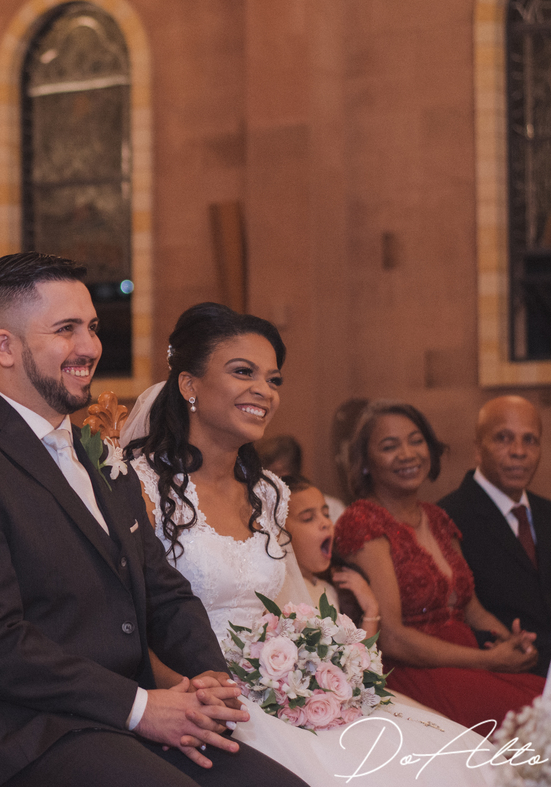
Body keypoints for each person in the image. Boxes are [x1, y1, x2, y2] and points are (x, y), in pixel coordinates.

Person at [0, 255, 306, 787]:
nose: (90, 346)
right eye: (65, 329)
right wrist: (139, 707)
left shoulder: (101, 459)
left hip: (118, 719)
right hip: (18, 733)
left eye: (91, 327)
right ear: (5, 347)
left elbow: (163, 592)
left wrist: (211, 678)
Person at [121, 303, 489, 785]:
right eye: (243, 372)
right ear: (189, 385)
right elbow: (130, 617)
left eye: (273, 379)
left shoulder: (269, 493)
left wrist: (323, 667)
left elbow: (290, 604)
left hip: (284, 686)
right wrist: (194, 694)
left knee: (450, 762)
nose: (264, 390)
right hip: (195, 693)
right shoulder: (141, 487)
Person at [334, 400, 546, 728]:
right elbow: (391, 637)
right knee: (539, 719)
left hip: (468, 659)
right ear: (365, 463)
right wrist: (487, 660)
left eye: (416, 441)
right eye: (389, 446)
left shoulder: (438, 518)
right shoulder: (363, 521)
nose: (407, 454)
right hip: (414, 670)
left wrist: (510, 642)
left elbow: (472, 610)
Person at [439, 395, 551, 674]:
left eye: (530, 440)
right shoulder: (446, 517)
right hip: (501, 673)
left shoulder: (547, 511)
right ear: (478, 449)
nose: (519, 451)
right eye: (503, 438)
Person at [281, 474, 379, 639]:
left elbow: (354, 654)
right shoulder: (280, 593)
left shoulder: (328, 591)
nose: (326, 523)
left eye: (326, 514)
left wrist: (371, 609)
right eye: (308, 518)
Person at [255, 434, 345, 521]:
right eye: (263, 472)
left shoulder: (332, 507)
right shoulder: (256, 508)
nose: (267, 479)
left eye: (276, 472)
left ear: (295, 471)